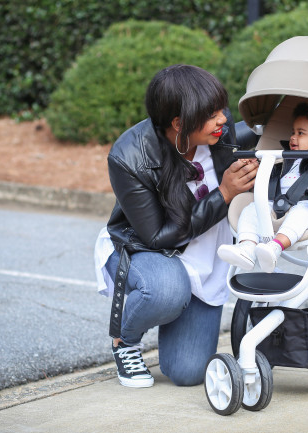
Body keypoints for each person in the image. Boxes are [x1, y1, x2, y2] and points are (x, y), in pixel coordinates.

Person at [93, 64, 259, 388]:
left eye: (220, 110)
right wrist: (223, 193)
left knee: (188, 373)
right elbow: (156, 236)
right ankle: (125, 340)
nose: (223, 120)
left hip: (204, 256)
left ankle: (177, 315)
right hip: (146, 249)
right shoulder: (128, 157)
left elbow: (253, 131)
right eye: (212, 115)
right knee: (168, 292)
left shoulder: (219, 132)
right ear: (179, 123)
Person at [217, 100, 308, 273]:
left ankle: (275, 247)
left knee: (301, 214)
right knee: (251, 210)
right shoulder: (282, 158)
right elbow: (269, 178)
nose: (293, 137)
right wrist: (256, 165)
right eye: (293, 132)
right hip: (275, 202)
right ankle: (246, 249)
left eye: (301, 133)